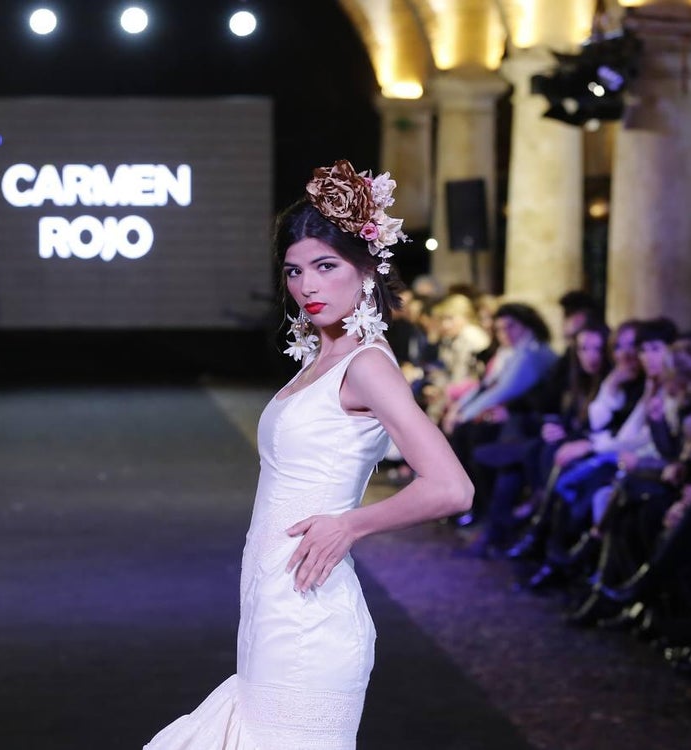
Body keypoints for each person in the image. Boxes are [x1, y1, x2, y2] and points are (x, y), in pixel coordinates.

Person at [145, 160, 472, 749]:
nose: (307, 286)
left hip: (309, 617)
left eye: (326, 266)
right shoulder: (320, 361)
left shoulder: (367, 365)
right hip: (273, 601)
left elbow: (452, 488)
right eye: (295, 271)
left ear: (367, 270)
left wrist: (352, 524)